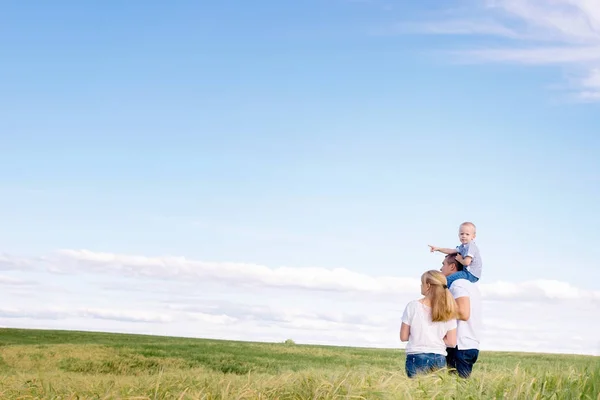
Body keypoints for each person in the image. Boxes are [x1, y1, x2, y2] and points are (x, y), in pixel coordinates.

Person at [400, 270, 457, 378]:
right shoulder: (449, 309)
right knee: (435, 394)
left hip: (416, 356)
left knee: (416, 393)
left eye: (422, 283)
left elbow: (403, 337)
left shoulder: (413, 306)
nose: (421, 286)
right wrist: (435, 338)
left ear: (428, 286)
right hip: (439, 358)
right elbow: (452, 342)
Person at [440, 253, 482, 378]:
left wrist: (439, 312)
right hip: (469, 343)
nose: (441, 268)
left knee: (455, 391)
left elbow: (463, 313)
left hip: (460, 344)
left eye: (443, 264)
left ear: (452, 267)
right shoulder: (470, 286)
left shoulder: (457, 284)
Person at [429, 221, 482, 288]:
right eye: (461, 234)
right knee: (452, 278)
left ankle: (443, 293)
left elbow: (466, 262)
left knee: (448, 279)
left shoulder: (471, 246)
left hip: (471, 274)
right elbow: (450, 251)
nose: (464, 236)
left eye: (467, 234)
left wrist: (460, 259)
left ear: (473, 236)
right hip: (467, 272)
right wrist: (438, 249)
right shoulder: (463, 246)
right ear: (458, 235)